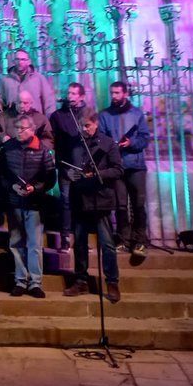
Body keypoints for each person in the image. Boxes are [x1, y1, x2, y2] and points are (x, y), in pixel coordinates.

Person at [64, 111, 124, 302]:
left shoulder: (107, 144)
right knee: (80, 243)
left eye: (87, 126)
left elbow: (117, 169)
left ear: (96, 123)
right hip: (80, 199)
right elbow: (68, 167)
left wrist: (99, 174)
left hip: (101, 199)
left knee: (106, 244)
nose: (84, 129)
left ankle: (112, 282)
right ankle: (81, 280)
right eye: (81, 126)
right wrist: (70, 174)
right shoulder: (75, 144)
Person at [0, 116, 56, 298]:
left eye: (22, 128)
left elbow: (51, 178)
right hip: (15, 203)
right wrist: (11, 186)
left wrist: (35, 188)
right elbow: (0, 174)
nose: (18, 131)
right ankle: (20, 281)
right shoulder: (9, 148)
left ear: (32, 129)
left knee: (34, 244)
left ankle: (35, 282)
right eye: (17, 128)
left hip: (34, 204)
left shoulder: (43, 150)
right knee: (16, 243)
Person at [98, 80, 151, 258]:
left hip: (135, 166)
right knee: (120, 205)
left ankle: (140, 240)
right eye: (112, 93)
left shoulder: (137, 114)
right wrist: (112, 147)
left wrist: (131, 143)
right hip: (117, 166)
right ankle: (123, 239)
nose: (114, 96)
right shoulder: (104, 115)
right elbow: (102, 138)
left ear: (125, 94)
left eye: (117, 93)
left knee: (138, 204)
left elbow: (145, 138)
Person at [49, 82, 94, 250]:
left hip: (84, 166)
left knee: (82, 202)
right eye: (69, 93)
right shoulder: (57, 116)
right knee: (66, 201)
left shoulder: (88, 114)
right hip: (65, 164)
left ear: (81, 96)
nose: (70, 96)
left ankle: (82, 238)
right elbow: (53, 139)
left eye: (74, 93)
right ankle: (65, 237)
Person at [0, 49, 56, 118]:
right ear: (14, 61)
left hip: (35, 122)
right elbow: (0, 102)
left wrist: (48, 121)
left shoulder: (39, 79)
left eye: (23, 59)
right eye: (17, 59)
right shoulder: (5, 80)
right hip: (12, 122)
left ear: (29, 62)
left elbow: (49, 101)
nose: (20, 62)